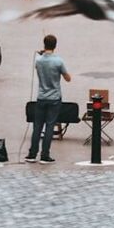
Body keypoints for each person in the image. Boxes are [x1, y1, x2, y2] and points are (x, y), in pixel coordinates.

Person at [26, 34, 71, 164]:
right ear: (55, 46)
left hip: (41, 96)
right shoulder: (58, 61)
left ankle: (32, 154)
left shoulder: (38, 60)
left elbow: (38, 66)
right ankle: (45, 155)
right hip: (54, 97)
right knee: (50, 126)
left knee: (37, 127)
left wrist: (42, 54)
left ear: (44, 45)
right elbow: (68, 78)